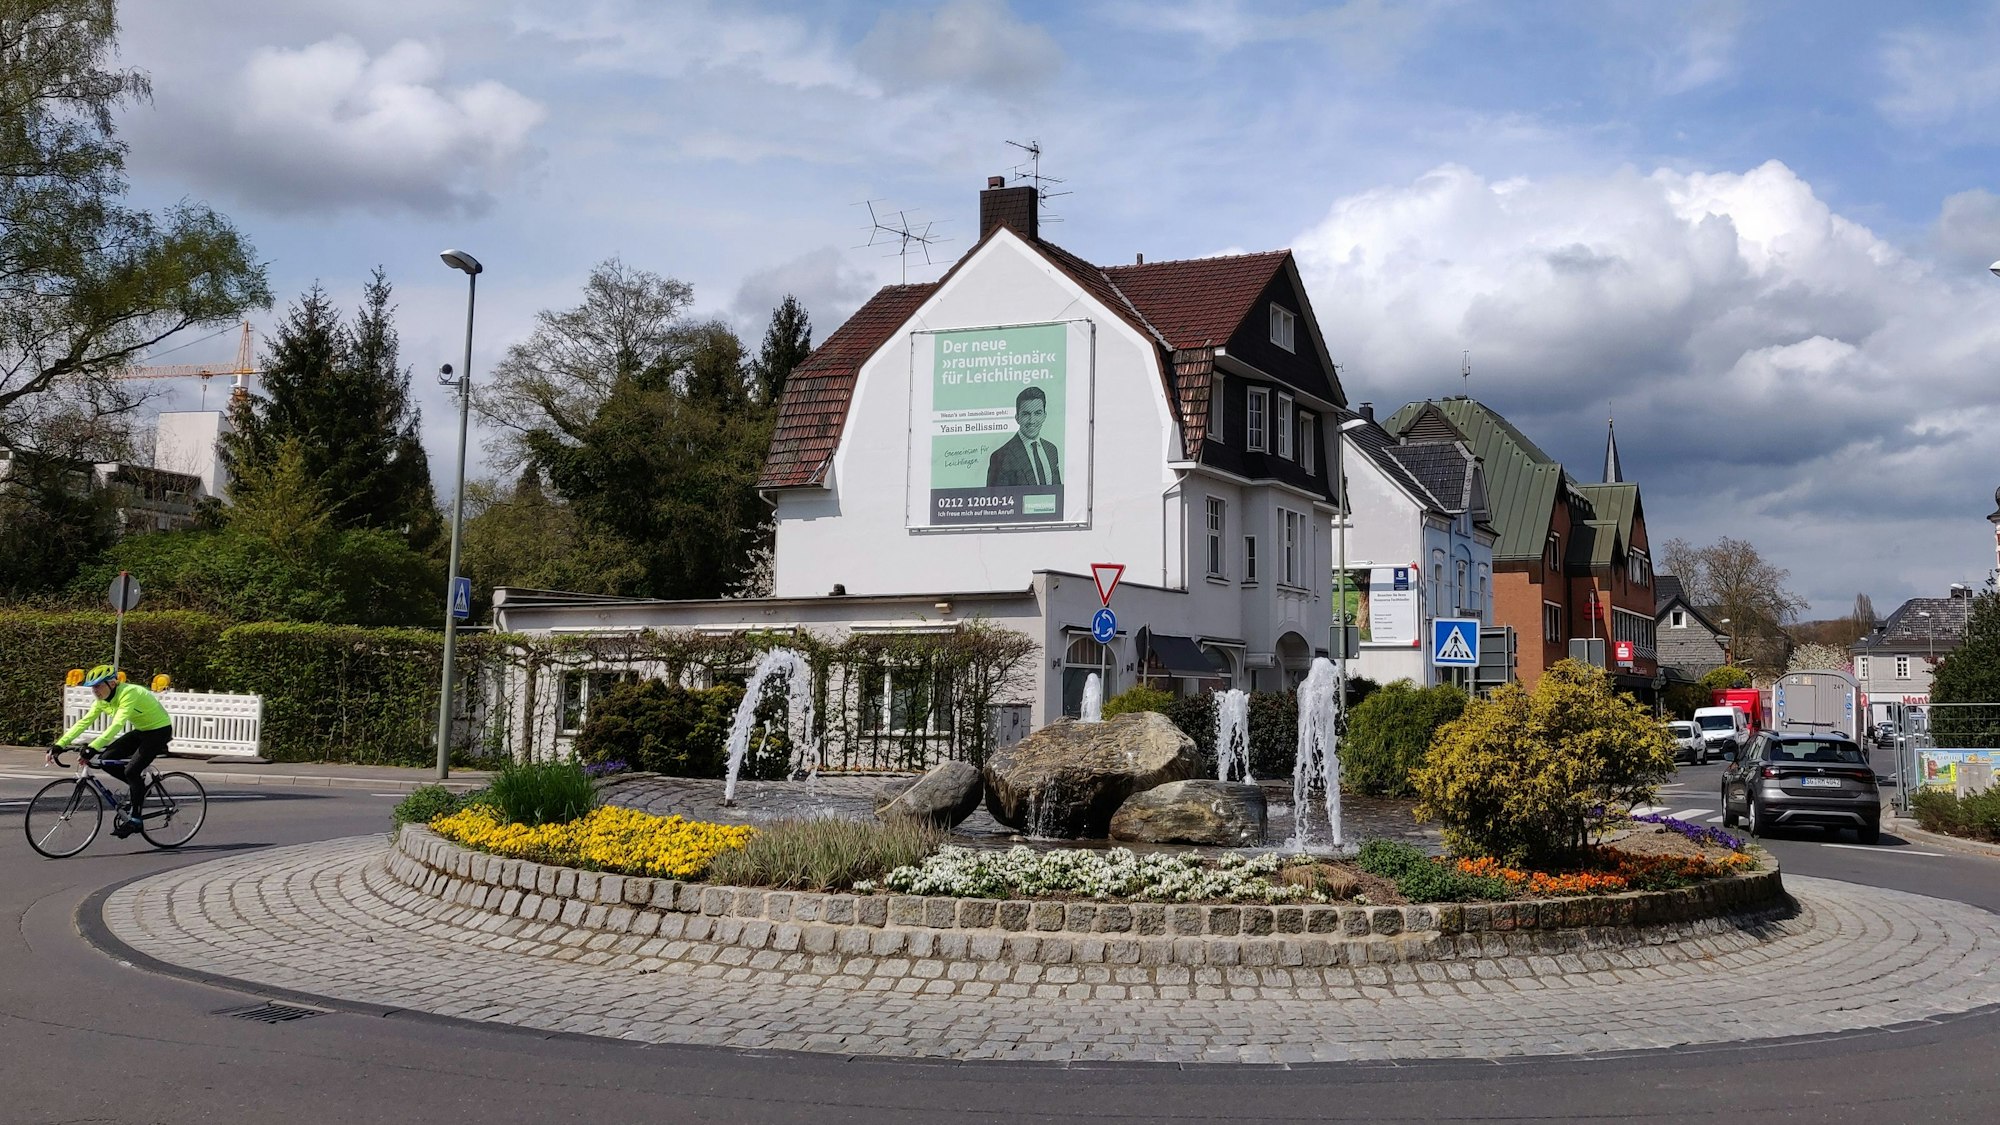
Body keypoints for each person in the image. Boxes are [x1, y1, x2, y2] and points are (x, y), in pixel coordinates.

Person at [50, 665, 174, 838]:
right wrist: (59, 745)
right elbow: (83, 722)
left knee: (131, 771)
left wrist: (93, 747)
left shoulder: (130, 693)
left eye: (98, 686)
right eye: (93, 687)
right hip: (142, 731)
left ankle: (136, 820)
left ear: (112, 684)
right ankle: (140, 789)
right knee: (106, 760)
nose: (95, 691)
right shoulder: (103, 701)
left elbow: (117, 724)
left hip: (159, 731)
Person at [986, 385, 1062, 488]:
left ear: (1045, 415)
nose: (1032, 421)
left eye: (1037, 413)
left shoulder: (1052, 450)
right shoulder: (1000, 457)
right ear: (1017, 418)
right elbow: (996, 502)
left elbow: (1058, 493)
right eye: (1026, 414)